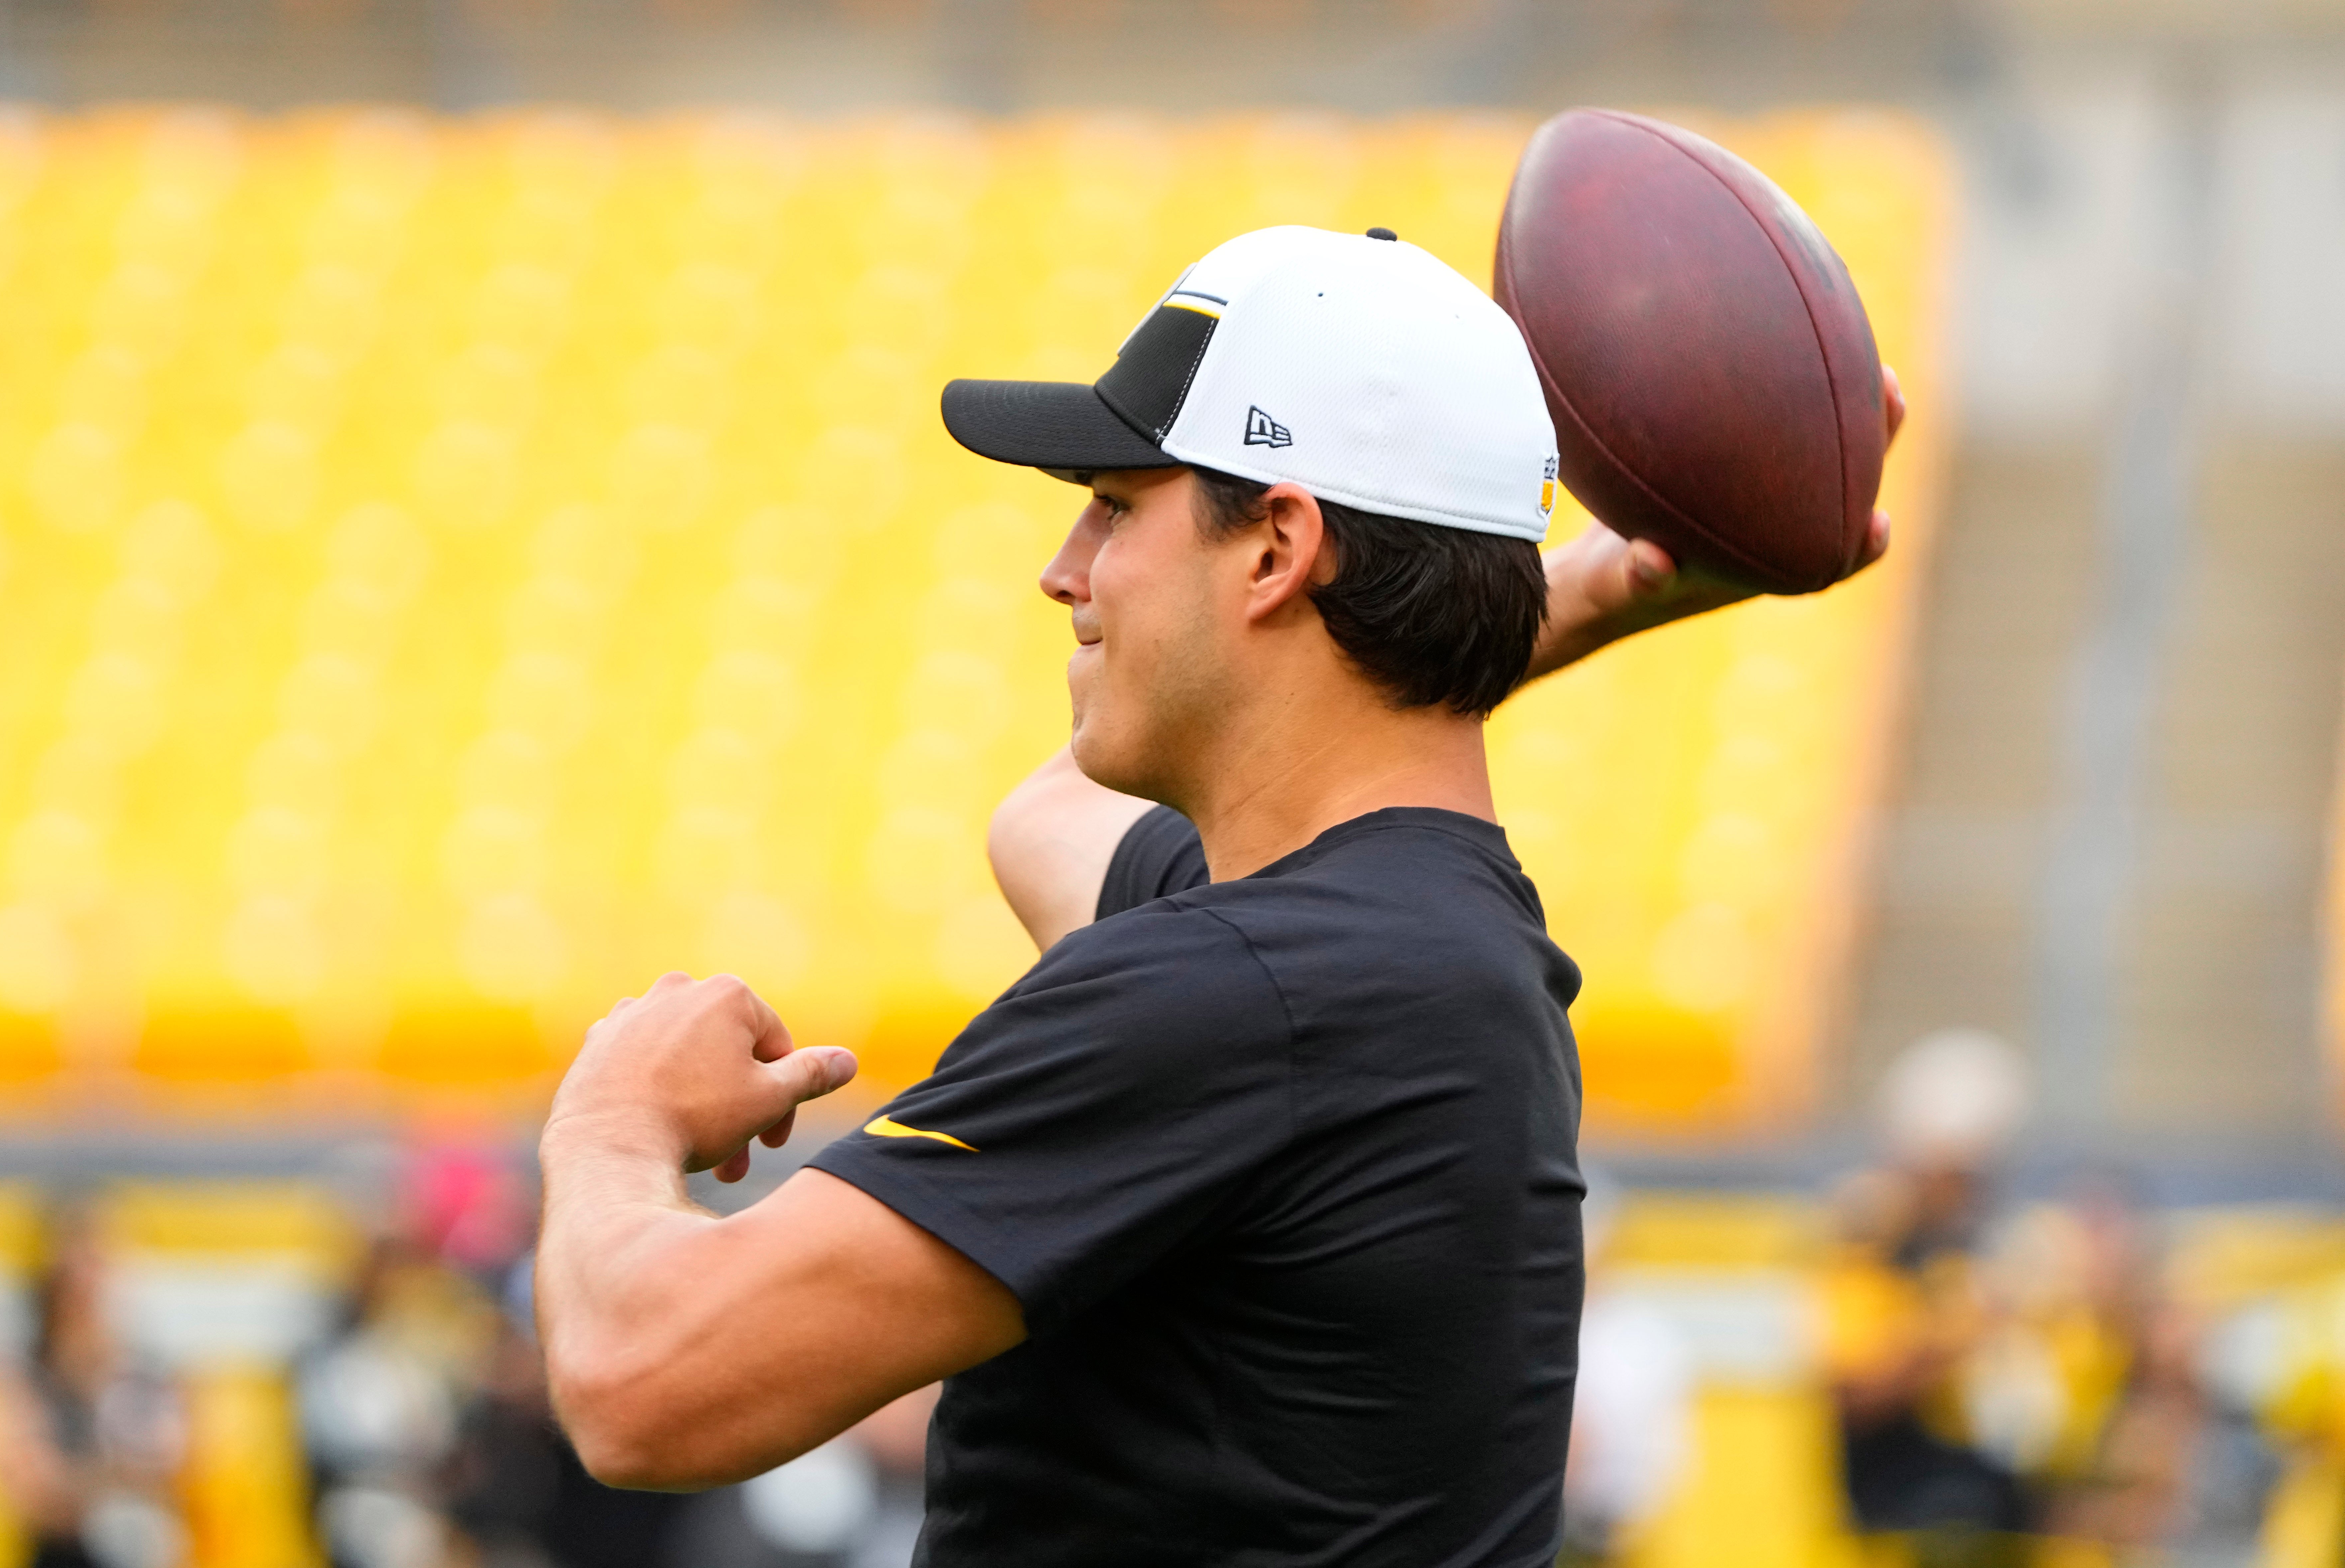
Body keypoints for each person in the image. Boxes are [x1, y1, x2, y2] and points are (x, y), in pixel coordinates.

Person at [534, 224, 1900, 1565]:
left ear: (1275, 549)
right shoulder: (1408, 931)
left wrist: (610, 1113)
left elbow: (642, 1384)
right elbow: (1047, 822)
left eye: (1117, 505)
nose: (1063, 569)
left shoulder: (1250, 992)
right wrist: (1576, 591)